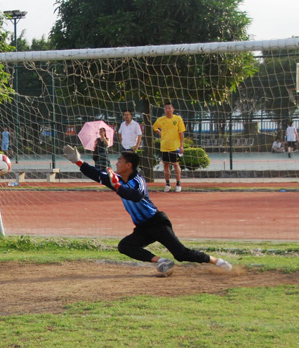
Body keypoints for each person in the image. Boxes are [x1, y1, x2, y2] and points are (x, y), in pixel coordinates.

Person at [63, 144, 232, 275]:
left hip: (157, 223)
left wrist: (117, 186)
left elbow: (136, 196)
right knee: (125, 246)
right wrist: (78, 161)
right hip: (142, 227)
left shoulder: (138, 180)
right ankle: (162, 261)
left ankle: (217, 261)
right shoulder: (117, 179)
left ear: (129, 165)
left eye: (120, 160)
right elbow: (96, 174)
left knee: (181, 254)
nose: (116, 163)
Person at [153, 103, 186, 192]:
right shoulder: (160, 120)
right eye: (166, 108)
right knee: (166, 165)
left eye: (169, 108)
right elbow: (154, 128)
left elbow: (181, 132)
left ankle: (178, 184)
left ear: (173, 109)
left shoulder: (178, 119)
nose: (168, 110)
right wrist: (160, 133)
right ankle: (167, 184)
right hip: (164, 146)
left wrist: (181, 146)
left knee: (176, 164)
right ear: (164, 110)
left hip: (175, 146)